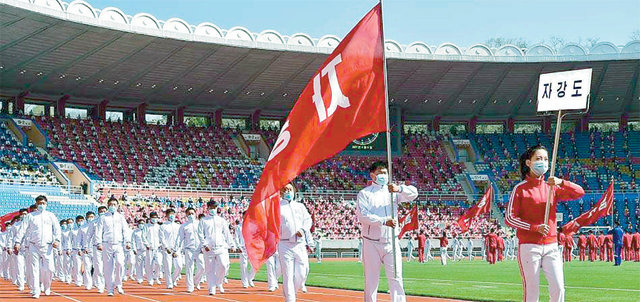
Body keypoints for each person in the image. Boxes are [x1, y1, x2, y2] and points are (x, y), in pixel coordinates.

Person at [505, 145, 585, 302]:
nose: (543, 162)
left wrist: (561, 182)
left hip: (551, 245)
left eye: (546, 159)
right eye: (538, 159)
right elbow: (510, 218)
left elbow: (579, 192)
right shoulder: (520, 189)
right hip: (529, 246)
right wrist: (534, 228)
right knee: (532, 289)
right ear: (528, 162)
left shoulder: (552, 187)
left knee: (558, 287)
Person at [356, 161, 418, 302]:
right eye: (379, 173)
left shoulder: (393, 192)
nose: (383, 175)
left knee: (396, 277)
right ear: (372, 175)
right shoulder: (364, 194)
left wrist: (400, 189)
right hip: (371, 242)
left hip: (391, 241)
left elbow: (414, 194)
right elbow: (362, 216)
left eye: (385, 173)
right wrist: (384, 221)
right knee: (371, 279)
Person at [13, 195, 62, 299]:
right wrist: (17, 242)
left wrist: (57, 240)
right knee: (34, 269)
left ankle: (47, 286)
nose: (41, 205)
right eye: (39, 203)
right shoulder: (30, 216)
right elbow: (22, 229)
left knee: (49, 269)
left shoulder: (51, 215)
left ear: (46, 204)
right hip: (33, 246)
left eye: (43, 203)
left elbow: (57, 229)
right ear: (36, 204)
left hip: (48, 246)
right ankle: (36, 290)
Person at [278, 182, 312, 302]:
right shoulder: (277, 207)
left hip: (299, 244)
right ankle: (290, 299)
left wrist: (303, 230)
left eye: (290, 189)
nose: (288, 192)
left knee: (302, 273)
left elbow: (308, 220)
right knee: (287, 275)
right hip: (284, 244)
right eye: (285, 189)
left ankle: (291, 292)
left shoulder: (300, 206)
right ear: (281, 192)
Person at [198, 201, 235, 295]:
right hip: (209, 248)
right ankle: (212, 288)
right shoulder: (203, 220)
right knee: (209, 269)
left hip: (221, 247)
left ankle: (219, 282)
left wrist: (232, 244)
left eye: (214, 207)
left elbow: (227, 233)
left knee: (224, 265)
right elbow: (200, 234)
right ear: (208, 208)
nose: (213, 209)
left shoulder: (221, 220)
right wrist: (204, 245)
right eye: (211, 207)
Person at [95, 197, 129, 296]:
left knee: (120, 263)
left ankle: (118, 284)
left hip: (118, 244)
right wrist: (99, 243)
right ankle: (110, 289)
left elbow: (125, 230)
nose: (112, 206)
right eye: (110, 205)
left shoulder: (121, 217)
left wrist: (128, 242)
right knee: (108, 267)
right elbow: (99, 231)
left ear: (117, 206)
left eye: (114, 204)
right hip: (106, 244)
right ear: (108, 205)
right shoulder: (103, 217)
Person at [177, 207, 204, 292]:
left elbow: (204, 236)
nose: (191, 215)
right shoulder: (183, 226)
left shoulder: (200, 224)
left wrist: (204, 246)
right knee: (189, 268)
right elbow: (179, 238)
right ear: (186, 215)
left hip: (199, 249)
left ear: (195, 213)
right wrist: (176, 249)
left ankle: (196, 281)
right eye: (189, 214)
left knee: (202, 267)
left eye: (192, 213)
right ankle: (190, 286)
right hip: (189, 249)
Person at [160, 208, 181, 289]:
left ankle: (172, 279)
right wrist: (166, 247)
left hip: (176, 249)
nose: (171, 216)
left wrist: (177, 249)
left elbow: (180, 238)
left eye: (173, 214)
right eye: (170, 214)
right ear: (166, 215)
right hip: (167, 249)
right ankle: (169, 283)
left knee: (179, 266)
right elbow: (162, 238)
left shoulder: (178, 226)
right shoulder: (163, 226)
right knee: (168, 267)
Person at [232, 215, 255, 289]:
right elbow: (236, 237)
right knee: (243, 266)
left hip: (251, 247)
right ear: (243, 217)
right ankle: (245, 283)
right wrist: (238, 246)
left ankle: (250, 278)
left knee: (254, 265)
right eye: (245, 216)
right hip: (243, 248)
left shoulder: (253, 226)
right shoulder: (239, 227)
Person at [143, 212, 162, 285]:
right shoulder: (146, 226)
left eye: (156, 217)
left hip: (157, 248)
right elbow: (143, 236)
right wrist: (147, 244)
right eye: (153, 217)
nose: (154, 219)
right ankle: (150, 279)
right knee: (149, 264)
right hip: (149, 248)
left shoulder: (159, 227)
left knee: (159, 263)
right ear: (150, 218)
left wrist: (160, 244)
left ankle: (156, 277)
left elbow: (161, 237)